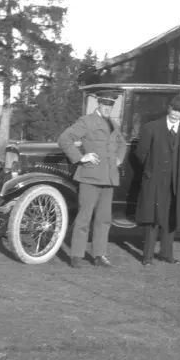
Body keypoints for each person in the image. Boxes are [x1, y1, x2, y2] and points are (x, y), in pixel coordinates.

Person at [57, 90, 127, 269]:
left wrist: (119, 159)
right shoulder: (86, 121)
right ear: (99, 103)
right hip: (90, 176)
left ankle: (99, 255)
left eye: (110, 105)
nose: (107, 107)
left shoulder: (113, 123)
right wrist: (81, 157)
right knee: (84, 217)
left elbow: (121, 143)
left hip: (109, 178)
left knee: (104, 219)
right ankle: (76, 255)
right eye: (105, 104)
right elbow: (64, 138)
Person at [134, 91, 180, 266]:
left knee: (171, 217)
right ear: (169, 108)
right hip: (154, 180)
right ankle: (147, 256)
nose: (176, 113)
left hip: (176, 183)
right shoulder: (151, 128)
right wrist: (151, 169)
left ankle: (167, 253)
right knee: (152, 219)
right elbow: (141, 153)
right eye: (174, 109)